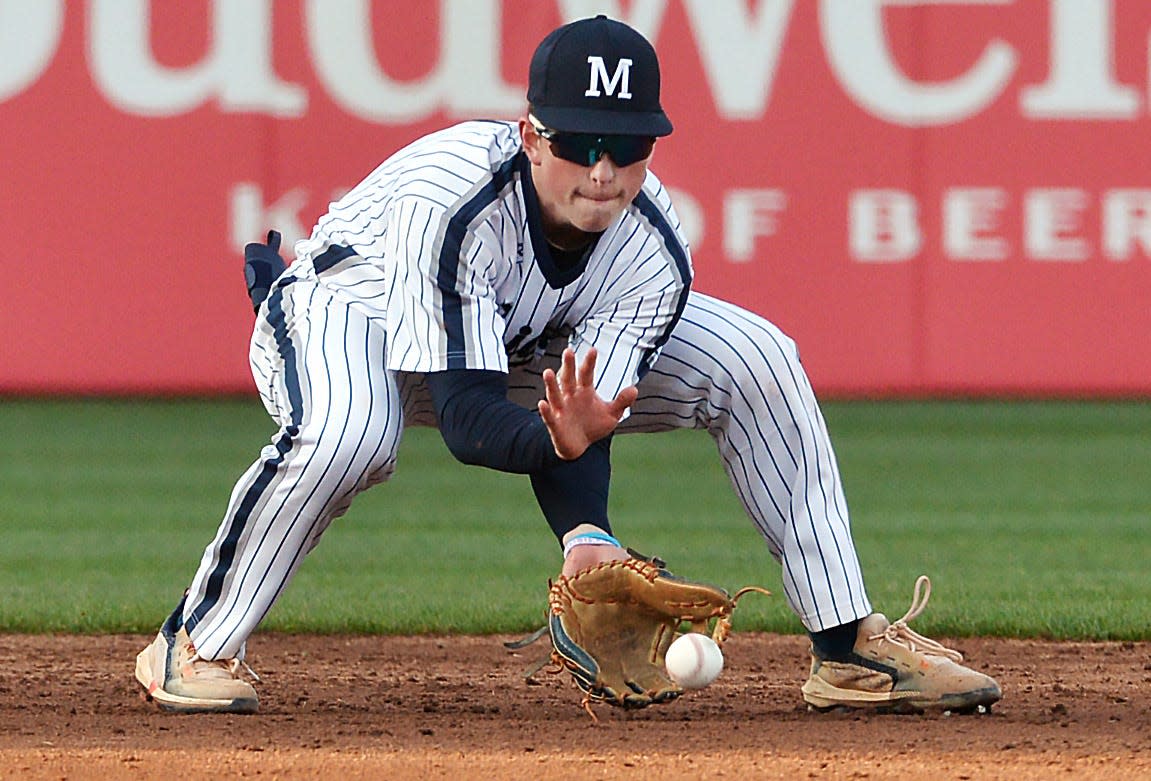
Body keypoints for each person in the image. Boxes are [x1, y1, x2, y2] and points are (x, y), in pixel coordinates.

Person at [135, 15, 1001, 715]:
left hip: (514, 336)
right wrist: (560, 450)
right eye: (583, 142)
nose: (604, 170)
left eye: (627, 146)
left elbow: (579, 403)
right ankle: (197, 640)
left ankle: (848, 649)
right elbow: (472, 421)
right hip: (344, 311)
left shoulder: (650, 247)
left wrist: (587, 538)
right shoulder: (456, 203)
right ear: (530, 134)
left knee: (756, 356)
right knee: (351, 437)